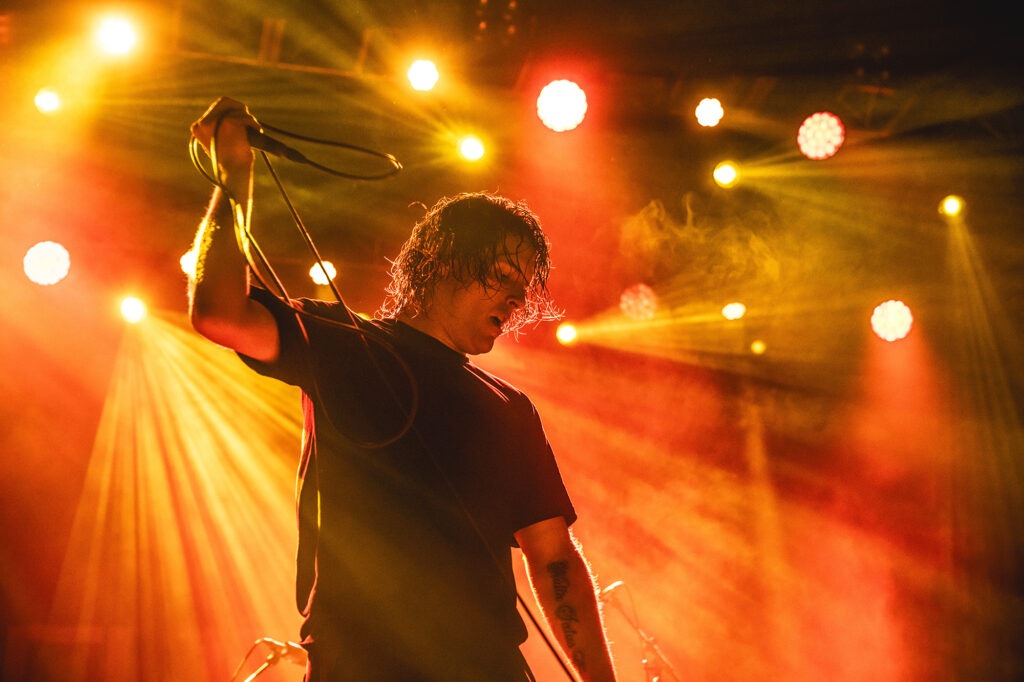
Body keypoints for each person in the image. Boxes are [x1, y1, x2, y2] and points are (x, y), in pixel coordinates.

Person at [188, 98, 618, 682]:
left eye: (524, 289)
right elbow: (219, 314)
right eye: (501, 277)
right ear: (441, 262)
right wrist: (234, 178)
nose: (516, 300)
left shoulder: (508, 408)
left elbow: (554, 558)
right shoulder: (342, 342)